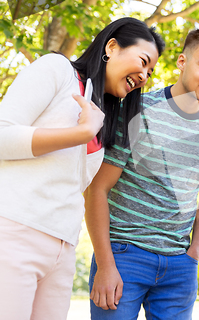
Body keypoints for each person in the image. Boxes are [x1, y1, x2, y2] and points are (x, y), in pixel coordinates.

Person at [0, 17, 164, 320]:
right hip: (14, 235)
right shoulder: (56, 70)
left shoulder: (103, 115)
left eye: (150, 72)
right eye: (143, 62)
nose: (144, 76)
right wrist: (79, 134)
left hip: (61, 251)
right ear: (112, 47)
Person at [85, 26, 199, 320]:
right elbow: (97, 189)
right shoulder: (136, 109)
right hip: (124, 256)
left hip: (179, 266)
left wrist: (194, 255)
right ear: (182, 61)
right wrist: (105, 264)